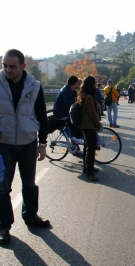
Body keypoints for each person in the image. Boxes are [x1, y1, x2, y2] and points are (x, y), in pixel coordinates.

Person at [0, 49, 51, 246]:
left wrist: (42, 143)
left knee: (29, 183)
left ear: (23, 66)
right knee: (2, 187)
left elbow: (41, 115)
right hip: (3, 145)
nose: (7, 70)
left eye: (12, 66)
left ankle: (30, 215)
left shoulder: (35, 86)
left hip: (28, 143)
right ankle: (4, 226)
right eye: (4, 65)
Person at [78, 76, 103, 181]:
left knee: (87, 148)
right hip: (89, 125)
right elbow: (92, 114)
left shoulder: (85, 95)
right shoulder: (89, 97)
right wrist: (98, 125)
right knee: (90, 149)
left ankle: (87, 168)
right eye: (94, 83)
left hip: (86, 125)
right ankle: (90, 173)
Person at [53, 75, 84, 155]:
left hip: (63, 111)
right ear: (75, 83)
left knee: (75, 118)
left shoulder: (70, 90)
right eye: (78, 83)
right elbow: (70, 106)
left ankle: (74, 143)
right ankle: (74, 139)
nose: (78, 85)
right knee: (74, 120)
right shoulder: (66, 91)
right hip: (60, 113)